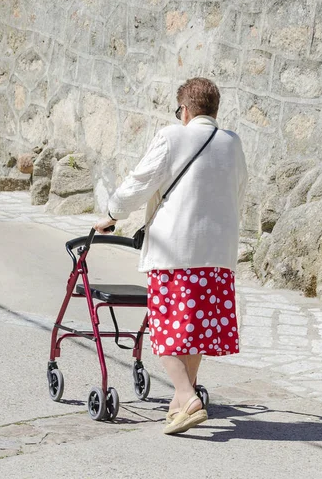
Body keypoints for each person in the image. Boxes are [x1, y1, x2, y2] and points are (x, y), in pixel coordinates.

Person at [94, 77, 248, 436]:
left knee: (165, 330)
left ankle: (185, 394)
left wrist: (113, 214)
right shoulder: (232, 143)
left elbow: (140, 181)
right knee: (195, 330)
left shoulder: (172, 136)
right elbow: (240, 192)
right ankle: (181, 406)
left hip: (175, 251)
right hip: (218, 253)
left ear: (186, 109)